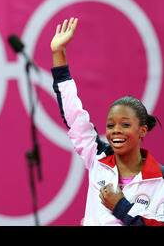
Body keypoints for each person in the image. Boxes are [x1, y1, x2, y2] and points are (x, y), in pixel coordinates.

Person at [50, 17, 164, 226]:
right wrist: (59, 54)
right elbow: (73, 114)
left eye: (125, 124)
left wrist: (119, 206)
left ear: (143, 130)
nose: (115, 131)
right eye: (111, 125)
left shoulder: (159, 179)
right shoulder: (97, 157)